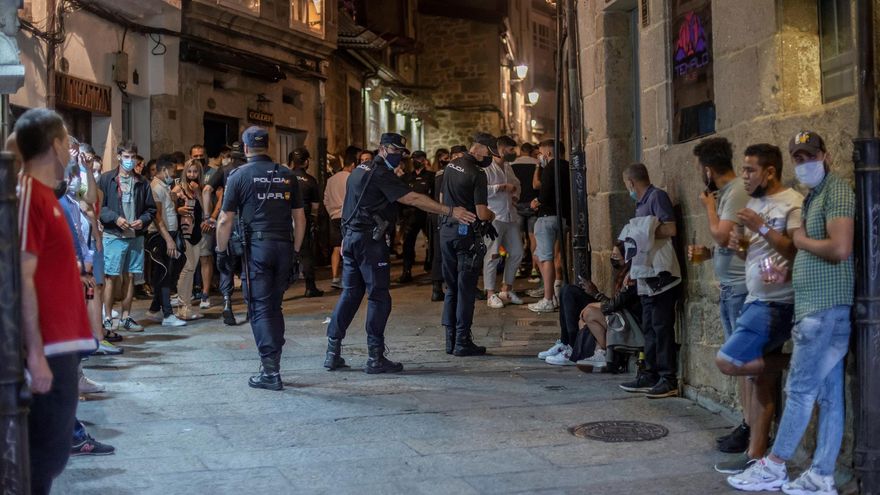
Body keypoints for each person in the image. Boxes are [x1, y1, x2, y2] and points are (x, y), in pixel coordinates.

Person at [728, 132, 852, 494]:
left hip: (824, 308)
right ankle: (822, 474)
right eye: (796, 157)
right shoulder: (815, 196)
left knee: (798, 389)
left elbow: (840, 248)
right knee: (828, 395)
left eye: (808, 156)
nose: (803, 163)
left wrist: (799, 241)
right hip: (816, 305)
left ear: (825, 156)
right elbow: (815, 257)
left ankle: (775, 465)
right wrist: (789, 271)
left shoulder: (837, 191)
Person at [324, 133, 475, 372]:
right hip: (370, 242)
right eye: (395, 151)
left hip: (353, 237)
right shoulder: (381, 174)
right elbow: (412, 198)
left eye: (401, 153)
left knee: (350, 294)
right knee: (379, 296)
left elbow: (349, 206)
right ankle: (375, 357)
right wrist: (449, 210)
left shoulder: (360, 170)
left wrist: (347, 237)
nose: (399, 157)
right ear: (382, 148)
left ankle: (332, 352)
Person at [15, 108, 98, 494]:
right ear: (55, 144)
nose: (71, 148)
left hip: (63, 342)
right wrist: (34, 354)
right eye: (67, 140)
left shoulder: (47, 195)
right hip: (48, 346)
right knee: (42, 457)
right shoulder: (29, 194)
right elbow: (22, 276)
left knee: (53, 453)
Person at [709, 144, 802, 480]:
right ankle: (756, 455)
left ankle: (800, 360)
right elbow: (753, 252)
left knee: (727, 361)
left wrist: (762, 228)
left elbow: (794, 250)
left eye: (749, 170)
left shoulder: (792, 202)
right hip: (755, 296)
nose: (744, 176)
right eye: (743, 169)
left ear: (770, 172)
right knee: (759, 377)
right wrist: (738, 245)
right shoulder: (754, 203)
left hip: (776, 302)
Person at [216, 127, 306, 390]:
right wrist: (297, 251)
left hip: (257, 249)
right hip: (284, 246)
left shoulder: (239, 176)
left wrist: (222, 253)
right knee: (274, 305)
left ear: (245, 148)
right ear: (269, 145)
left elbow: (225, 220)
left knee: (259, 307)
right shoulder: (287, 175)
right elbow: (299, 218)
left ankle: (270, 371)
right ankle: (273, 360)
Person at [688, 137, 754, 458]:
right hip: (731, 287)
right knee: (738, 364)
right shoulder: (731, 192)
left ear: (710, 170)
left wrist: (709, 207)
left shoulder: (735, 192)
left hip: (739, 289)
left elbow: (723, 232)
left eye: (702, 169)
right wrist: (708, 254)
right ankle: (747, 422)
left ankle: (752, 427)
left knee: (742, 363)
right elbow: (729, 243)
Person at [617, 163, 682, 399]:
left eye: (627, 185)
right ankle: (651, 373)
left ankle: (668, 377)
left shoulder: (657, 197)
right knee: (650, 327)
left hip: (661, 275)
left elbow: (671, 229)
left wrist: (642, 233)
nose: (628, 189)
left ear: (631, 182)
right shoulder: (640, 204)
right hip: (645, 274)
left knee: (661, 326)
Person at [439, 133, 497, 356]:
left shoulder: (451, 165)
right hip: (466, 237)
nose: (490, 158)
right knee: (465, 289)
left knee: (451, 288)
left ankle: (449, 340)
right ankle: (462, 341)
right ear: (480, 148)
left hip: (447, 230)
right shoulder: (477, 173)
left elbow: (444, 199)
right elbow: (482, 213)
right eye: (490, 153)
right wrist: (492, 216)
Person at [98, 142, 156, 332]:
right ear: (119, 157)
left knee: (130, 276)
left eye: (133, 157)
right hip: (113, 234)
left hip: (135, 235)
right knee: (111, 277)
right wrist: (115, 218)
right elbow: (99, 207)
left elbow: (151, 209)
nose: (129, 161)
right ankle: (107, 317)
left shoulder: (142, 182)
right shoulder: (107, 179)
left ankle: (126, 316)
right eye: (126, 157)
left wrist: (143, 221)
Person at [204, 142, 246, 325]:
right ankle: (250, 304)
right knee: (247, 265)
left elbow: (206, 190)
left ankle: (227, 303)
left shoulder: (224, 170)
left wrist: (208, 216)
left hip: (226, 223)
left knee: (225, 263)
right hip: (245, 222)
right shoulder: (248, 170)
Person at [143, 155, 188, 327]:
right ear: (164, 170)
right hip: (161, 236)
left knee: (167, 271)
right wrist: (168, 240)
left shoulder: (165, 187)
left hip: (169, 233)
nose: (173, 174)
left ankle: (155, 309)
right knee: (164, 273)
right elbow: (157, 217)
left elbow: (169, 211)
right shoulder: (155, 188)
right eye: (172, 171)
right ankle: (168, 314)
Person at [528, 139, 570, 313]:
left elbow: (544, 193)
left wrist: (536, 201)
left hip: (547, 217)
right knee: (541, 255)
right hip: (563, 218)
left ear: (549, 153)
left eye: (540, 153)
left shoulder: (550, 168)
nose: (540, 156)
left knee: (545, 257)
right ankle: (552, 293)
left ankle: (547, 299)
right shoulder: (568, 166)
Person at [483, 135, 524, 309]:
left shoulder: (508, 167)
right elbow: (481, 190)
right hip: (494, 217)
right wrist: (500, 187)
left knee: (516, 252)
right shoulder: (486, 168)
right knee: (492, 255)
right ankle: (490, 293)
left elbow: (517, 184)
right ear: (500, 149)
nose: (512, 152)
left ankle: (506, 289)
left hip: (510, 216)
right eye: (510, 149)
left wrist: (515, 195)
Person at [430, 144, 468, 301]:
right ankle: (438, 287)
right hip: (446, 216)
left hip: (456, 216)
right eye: (459, 157)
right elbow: (441, 198)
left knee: (460, 252)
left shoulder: (459, 171)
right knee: (441, 252)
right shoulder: (443, 173)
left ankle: (455, 285)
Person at [288, 147, 324, 297]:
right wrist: (314, 219)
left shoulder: (285, 177)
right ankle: (310, 287)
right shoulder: (311, 181)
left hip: (284, 220)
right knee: (306, 253)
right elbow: (315, 206)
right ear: (306, 162)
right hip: (304, 219)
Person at [173, 159, 205, 320]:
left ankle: (187, 307)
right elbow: (169, 209)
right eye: (190, 171)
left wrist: (199, 192)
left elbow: (205, 210)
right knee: (188, 267)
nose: (192, 175)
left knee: (192, 269)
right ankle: (182, 306)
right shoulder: (178, 189)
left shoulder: (200, 189)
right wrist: (178, 209)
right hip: (184, 232)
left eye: (195, 171)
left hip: (197, 232)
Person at [325, 145, 360, 289]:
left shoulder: (331, 179)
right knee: (350, 247)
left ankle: (334, 277)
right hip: (349, 216)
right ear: (352, 165)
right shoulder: (352, 178)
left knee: (336, 248)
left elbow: (325, 199)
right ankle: (350, 277)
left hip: (334, 217)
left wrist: (332, 212)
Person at [398, 150, 435, 283]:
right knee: (408, 244)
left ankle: (430, 267)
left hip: (427, 215)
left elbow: (435, 196)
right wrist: (401, 216)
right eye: (415, 159)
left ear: (424, 160)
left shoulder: (432, 177)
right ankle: (406, 271)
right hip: (411, 216)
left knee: (432, 243)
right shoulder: (406, 178)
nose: (417, 161)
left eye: (419, 159)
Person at [510, 142, 540, 280]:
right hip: (533, 204)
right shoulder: (537, 163)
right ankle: (534, 268)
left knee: (519, 238)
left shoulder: (512, 165)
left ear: (521, 151)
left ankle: (518, 268)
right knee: (534, 238)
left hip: (518, 205)